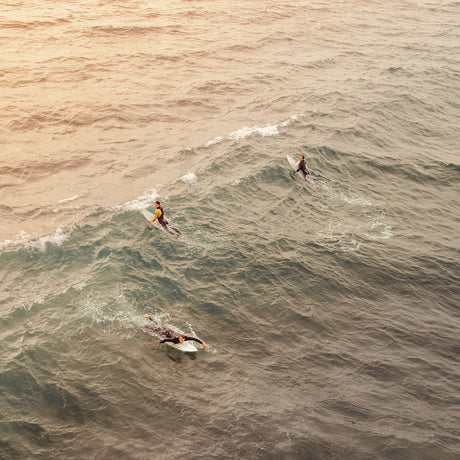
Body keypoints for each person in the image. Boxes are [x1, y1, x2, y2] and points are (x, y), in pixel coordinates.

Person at [142, 315, 208, 348]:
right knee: (156, 330)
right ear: (179, 338)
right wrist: (159, 343)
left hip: (169, 330)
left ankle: (149, 318)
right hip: (166, 332)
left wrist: (202, 343)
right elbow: (165, 340)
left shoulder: (185, 337)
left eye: (183, 340)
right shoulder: (174, 339)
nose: (182, 341)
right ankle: (146, 325)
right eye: (181, 340)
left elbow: (194, 339)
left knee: (158, 326)